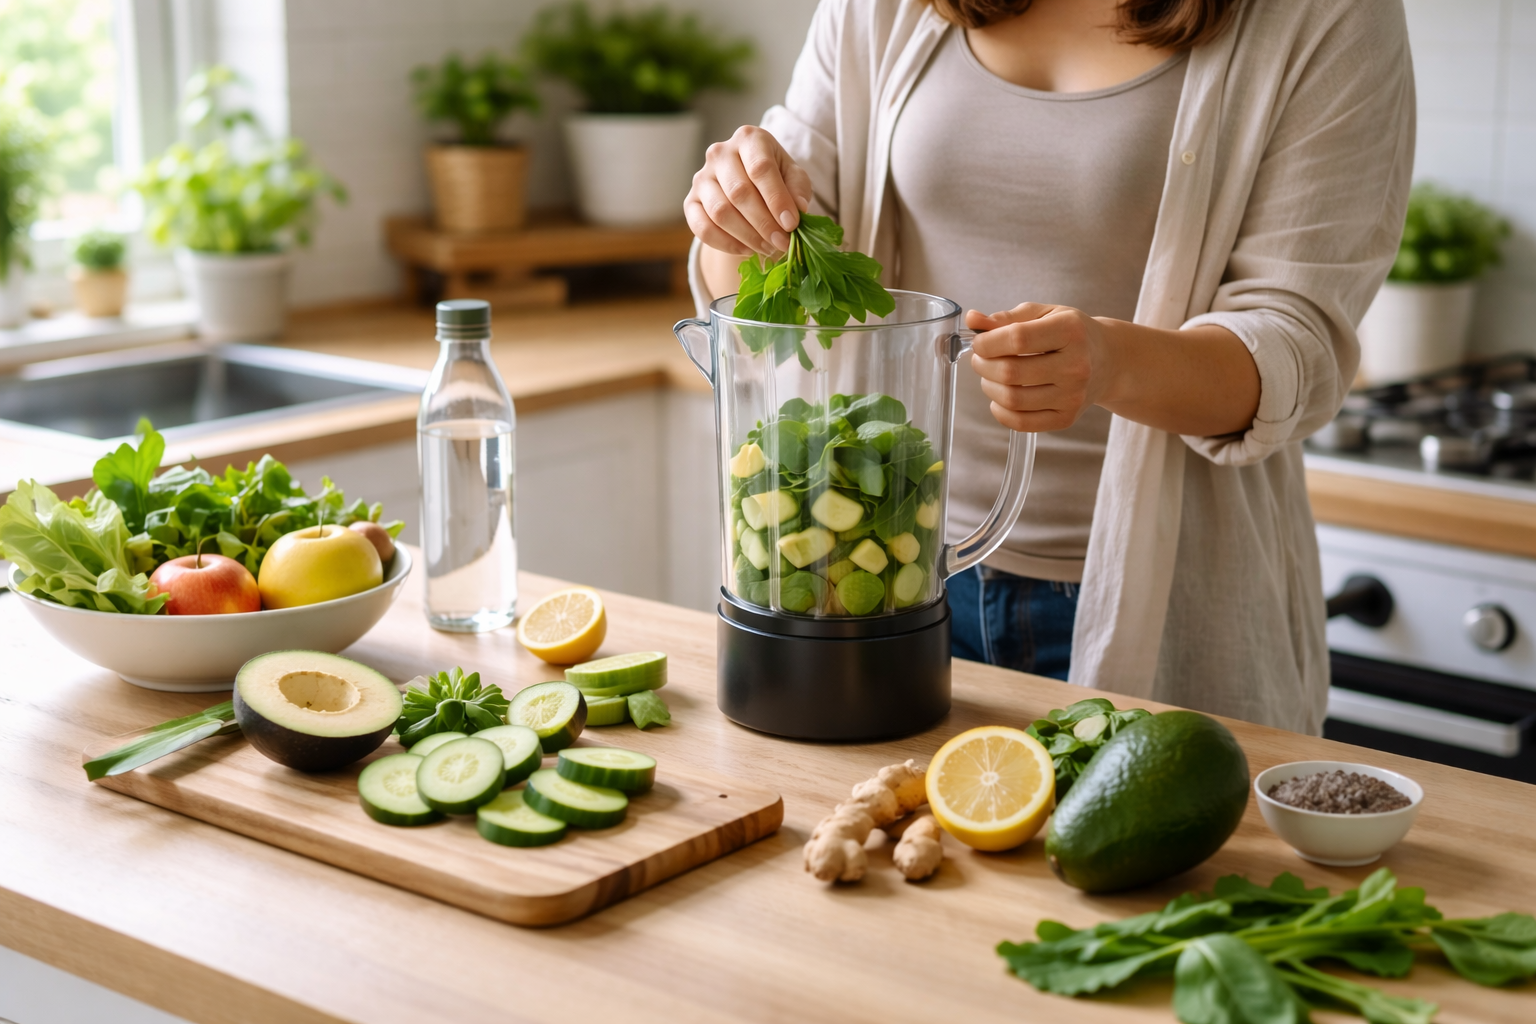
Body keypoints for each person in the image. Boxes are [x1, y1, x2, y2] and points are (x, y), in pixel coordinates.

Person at [683, 0, 1413, 734]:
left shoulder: (1326, 14)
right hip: (880, 581)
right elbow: (752, 285)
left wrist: (1113, 364)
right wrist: (735, 217)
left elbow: (1297, 346)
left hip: (1164, 601)